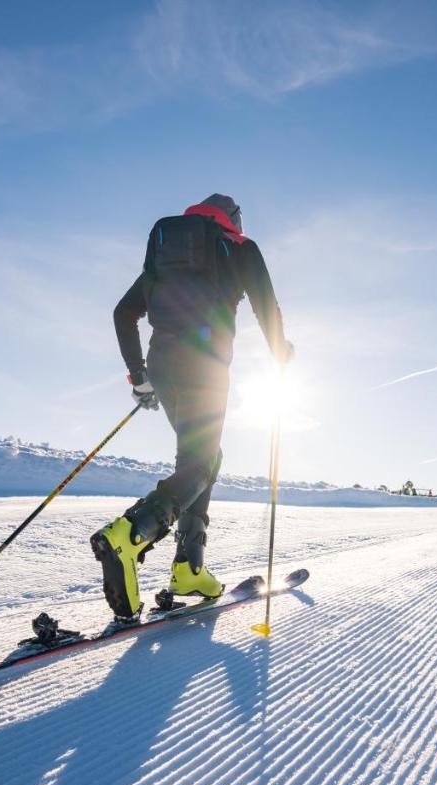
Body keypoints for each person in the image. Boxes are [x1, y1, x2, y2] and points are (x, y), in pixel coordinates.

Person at [91, 194, 292, 620]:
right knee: (202, 465)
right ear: (234, 220)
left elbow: (123, 313)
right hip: (206, 365)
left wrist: (140, 376)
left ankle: (189, 567)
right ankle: (130, 533)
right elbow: (265, 304)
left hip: (164, 366)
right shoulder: (238, 248)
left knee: (200, 460)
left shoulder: (165, 254)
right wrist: (281, 351)